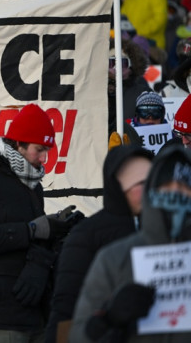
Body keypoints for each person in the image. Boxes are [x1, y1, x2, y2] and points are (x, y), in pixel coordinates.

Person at [0, 103, 79, 343]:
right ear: (19, 144)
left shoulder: (32, 183)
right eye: (39, 149)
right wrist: (31, 230)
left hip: (32, 307)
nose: (44, 158)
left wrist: (55, 230)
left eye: (47, 150)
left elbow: (34, 238)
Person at [70, 144, 191, 342]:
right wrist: (109, 319)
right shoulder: (114, 258)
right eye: (166, 185)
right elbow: (77, 335)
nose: (176, 192)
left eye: (185, 186)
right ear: (152, 191)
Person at [45, 145, 152, 343]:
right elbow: (66, 306)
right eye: (140, 183)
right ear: (119, 186)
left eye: (153, 181)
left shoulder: (166, 229)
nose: (149, 190)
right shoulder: (87, 235)